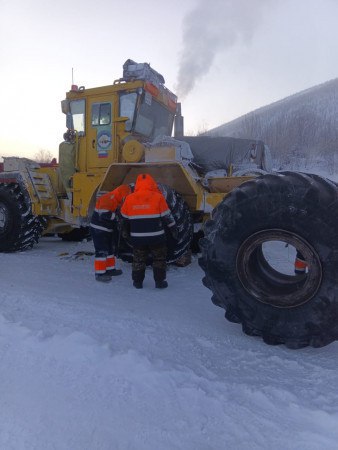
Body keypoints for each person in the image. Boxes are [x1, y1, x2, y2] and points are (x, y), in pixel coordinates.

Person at [121, 173, 178, 289]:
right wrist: (174, 229)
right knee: (159, 259)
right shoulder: (158, 197)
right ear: (152, 183)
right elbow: (167, 217)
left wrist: (125, 232)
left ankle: (137, 283)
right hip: (156, 237)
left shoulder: (129, 198)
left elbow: (124, 218)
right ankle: (159, 282)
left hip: (137, 238)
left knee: (138, 260)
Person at [90, 184, 131, 282]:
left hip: (107, 229)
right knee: (102, 251)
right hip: (99, 229)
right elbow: (104, 215)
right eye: (124, 196)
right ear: (121, 194)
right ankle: (100, 273)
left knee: (109, 249)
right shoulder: (107, 199)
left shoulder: (115, 199)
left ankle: (110, 269)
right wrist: (118, 218)